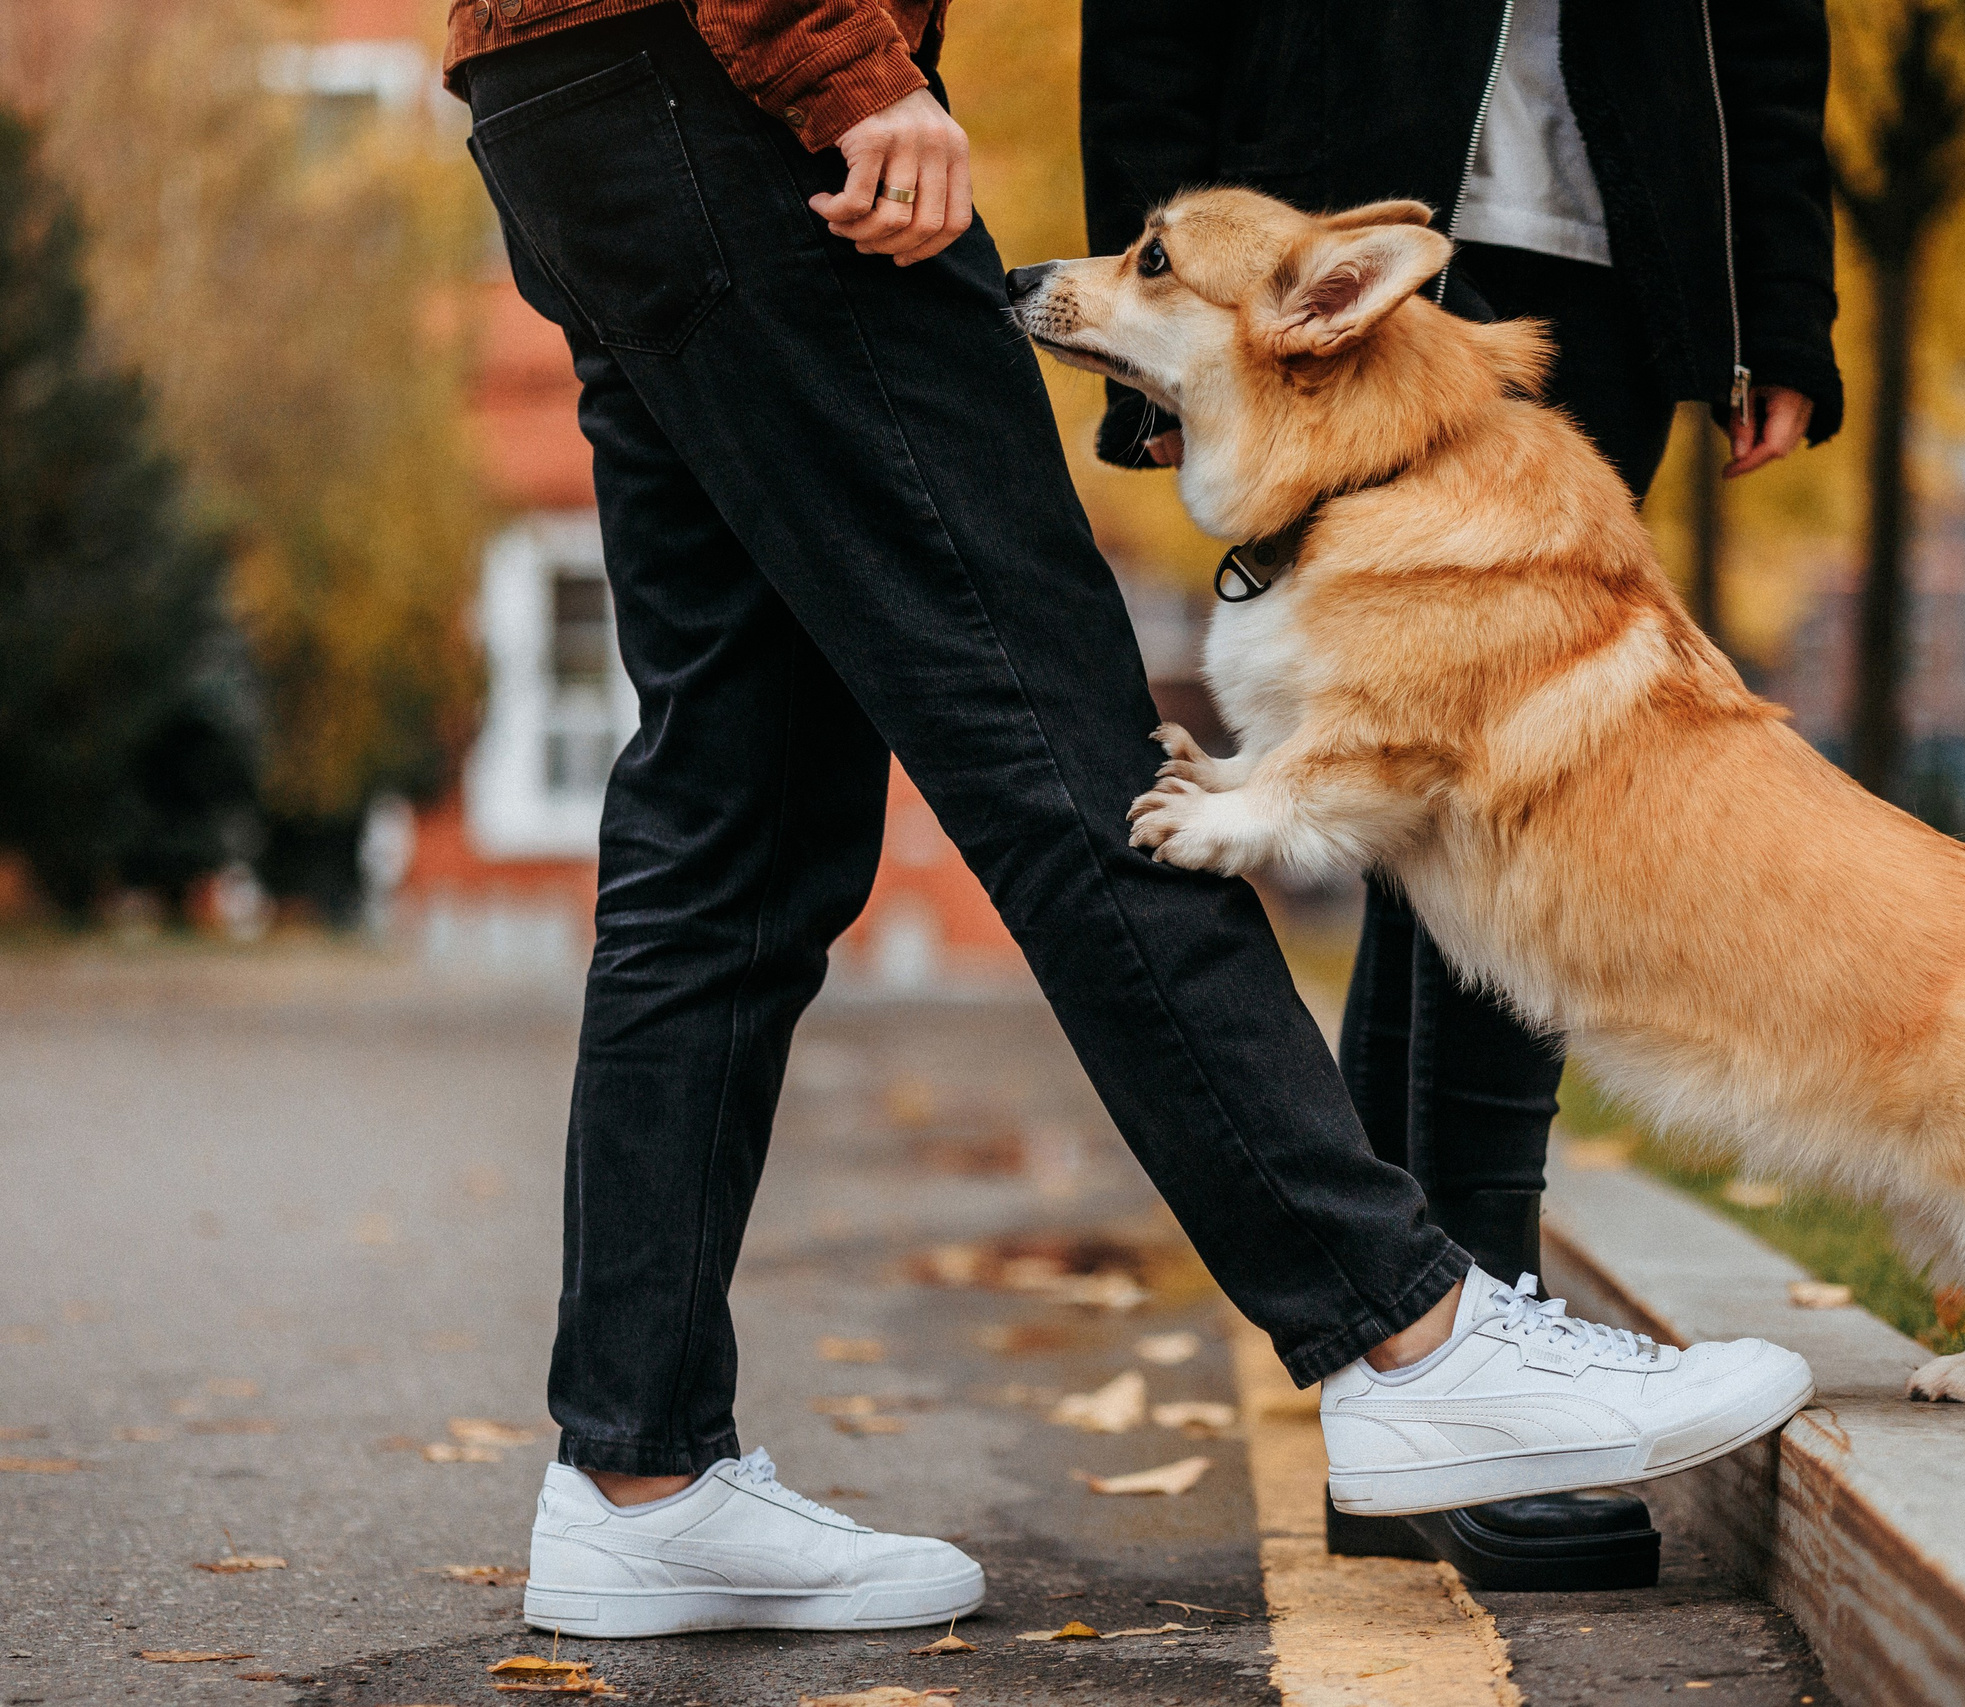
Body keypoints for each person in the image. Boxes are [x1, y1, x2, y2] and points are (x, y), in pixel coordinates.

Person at [442, 0, 1811, 1639]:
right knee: (1071, 748)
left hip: (574, 94)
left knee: (734, 821)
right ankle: (1415, 1337)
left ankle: (636, 1475)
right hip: (746, 94)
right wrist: (845, 63)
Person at [1082, 0, 1843, 1589]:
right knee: (1409, 784)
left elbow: (1764, 20)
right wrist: (1145, 320)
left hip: (1607, 251)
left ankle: (1434, 1357)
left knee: (1496, 800)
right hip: (1322, 237)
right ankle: (1438, 1362)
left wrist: (1777, 294)